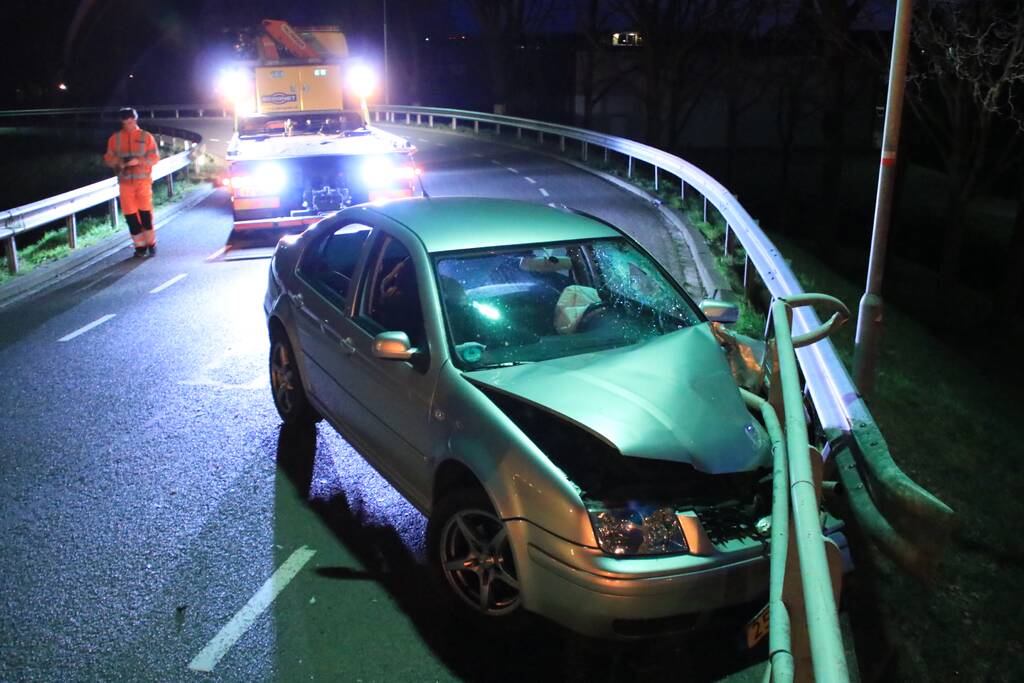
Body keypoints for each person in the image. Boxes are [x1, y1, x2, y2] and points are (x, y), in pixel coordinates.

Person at [103, 107, 160, 257]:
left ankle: (151, 244)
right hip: (125, 184)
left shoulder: (146, 137)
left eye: (131, 121)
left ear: (135, 119)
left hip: (143, 182)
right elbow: (108, 158)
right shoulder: (115, 139)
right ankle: (140, 247)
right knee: (131, 217)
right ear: (121, 122)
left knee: (146, 215)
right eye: (125, 123)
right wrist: (120, 162)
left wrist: (138, 161)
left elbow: (155, 158)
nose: (129, 125)